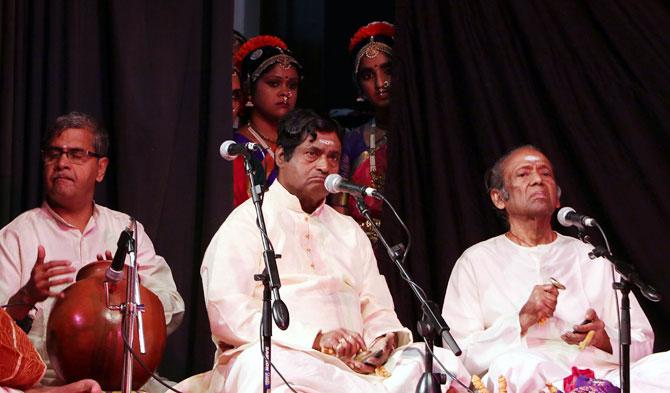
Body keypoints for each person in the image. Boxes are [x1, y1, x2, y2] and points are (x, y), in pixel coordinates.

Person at [183, 109, 468, 392]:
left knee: (435, 362)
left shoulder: (349, 230)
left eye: (333, 157)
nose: (325, 166)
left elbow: (375, 304)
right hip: (289, 358)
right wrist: (315, 339)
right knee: (261, 367)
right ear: (281, 156)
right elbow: (226, 311)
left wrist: (383, 341)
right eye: (312, 154)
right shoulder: (247, 222)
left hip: (356, 366)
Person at [441, 145, 660, 392]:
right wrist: (521, 320)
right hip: (528, 376)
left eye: (545, 174)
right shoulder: (475, 261)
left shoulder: (591, 256)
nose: (537, 180)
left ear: (557, 198)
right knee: (517, 366)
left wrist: (606, 338)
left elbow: (643, 340)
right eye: (524, 174)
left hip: (601, 375)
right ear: (499, 198)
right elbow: (456, 354)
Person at [0, 112, 185, 389]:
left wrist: (129, 287)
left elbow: (173, 305)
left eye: (76, 154)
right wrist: (25, 297)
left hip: (127, 379)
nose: (62, 163)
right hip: (50, 383)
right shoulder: (17, 235)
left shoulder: (127, 231)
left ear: (100, 168)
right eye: (54, 154)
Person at [333, 21, 394, 242]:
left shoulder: (425, 134)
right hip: (361, 249)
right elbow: (339, 210)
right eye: (368, 76)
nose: (380, 83)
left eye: (388, 70)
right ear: (358, 85)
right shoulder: (354, 139)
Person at [232, 35, 302, 206]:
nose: (286, 92)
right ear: (249, 89)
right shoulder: (233, 147)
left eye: (292, 85)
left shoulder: (302, 143)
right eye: (274, 83)